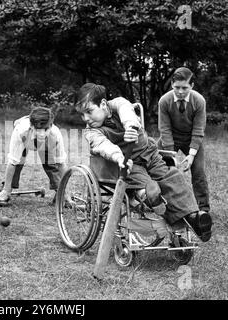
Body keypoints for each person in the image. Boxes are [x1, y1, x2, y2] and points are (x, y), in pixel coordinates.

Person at [76, 83, 212, 242]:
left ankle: (194, 218)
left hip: (150, 154)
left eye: (89, 111)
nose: (86, 118)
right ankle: (150, 198)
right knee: (143, 183)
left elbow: (126, 111)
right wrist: (119, 158)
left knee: (173, 176)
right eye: (82, 115)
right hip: (129, 163)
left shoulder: (118, 104)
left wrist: (130, 127)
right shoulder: (92, 132)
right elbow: (103, 146)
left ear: (104, 104)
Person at [158, 67, 210, 213]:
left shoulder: (199, 101)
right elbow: (165, 129)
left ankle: (203, 209)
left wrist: (192, 155)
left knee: (199, 172)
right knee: (157, 168)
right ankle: (158, 203)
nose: (180, 91)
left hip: (191, 138)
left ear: (192, 86)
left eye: (184, 88)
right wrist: (170, 156)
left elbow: (199, 130)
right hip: (170, 138)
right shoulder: (164, 101)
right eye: (177, 87)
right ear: (172, 85)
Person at [0, 107, 68, 207]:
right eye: (38, 130)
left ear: (51, 126)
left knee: (51, 164)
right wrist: (6, 190)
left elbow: (61, 164)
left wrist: (67, 193)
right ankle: (5, 190)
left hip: (47, 143)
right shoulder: (21, 130)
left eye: (45, 129)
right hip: (26, 140)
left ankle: (61, 193)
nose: (42, 134)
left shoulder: (55, 134)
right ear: (31, 126)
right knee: (18, 162)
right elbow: (12, 163)